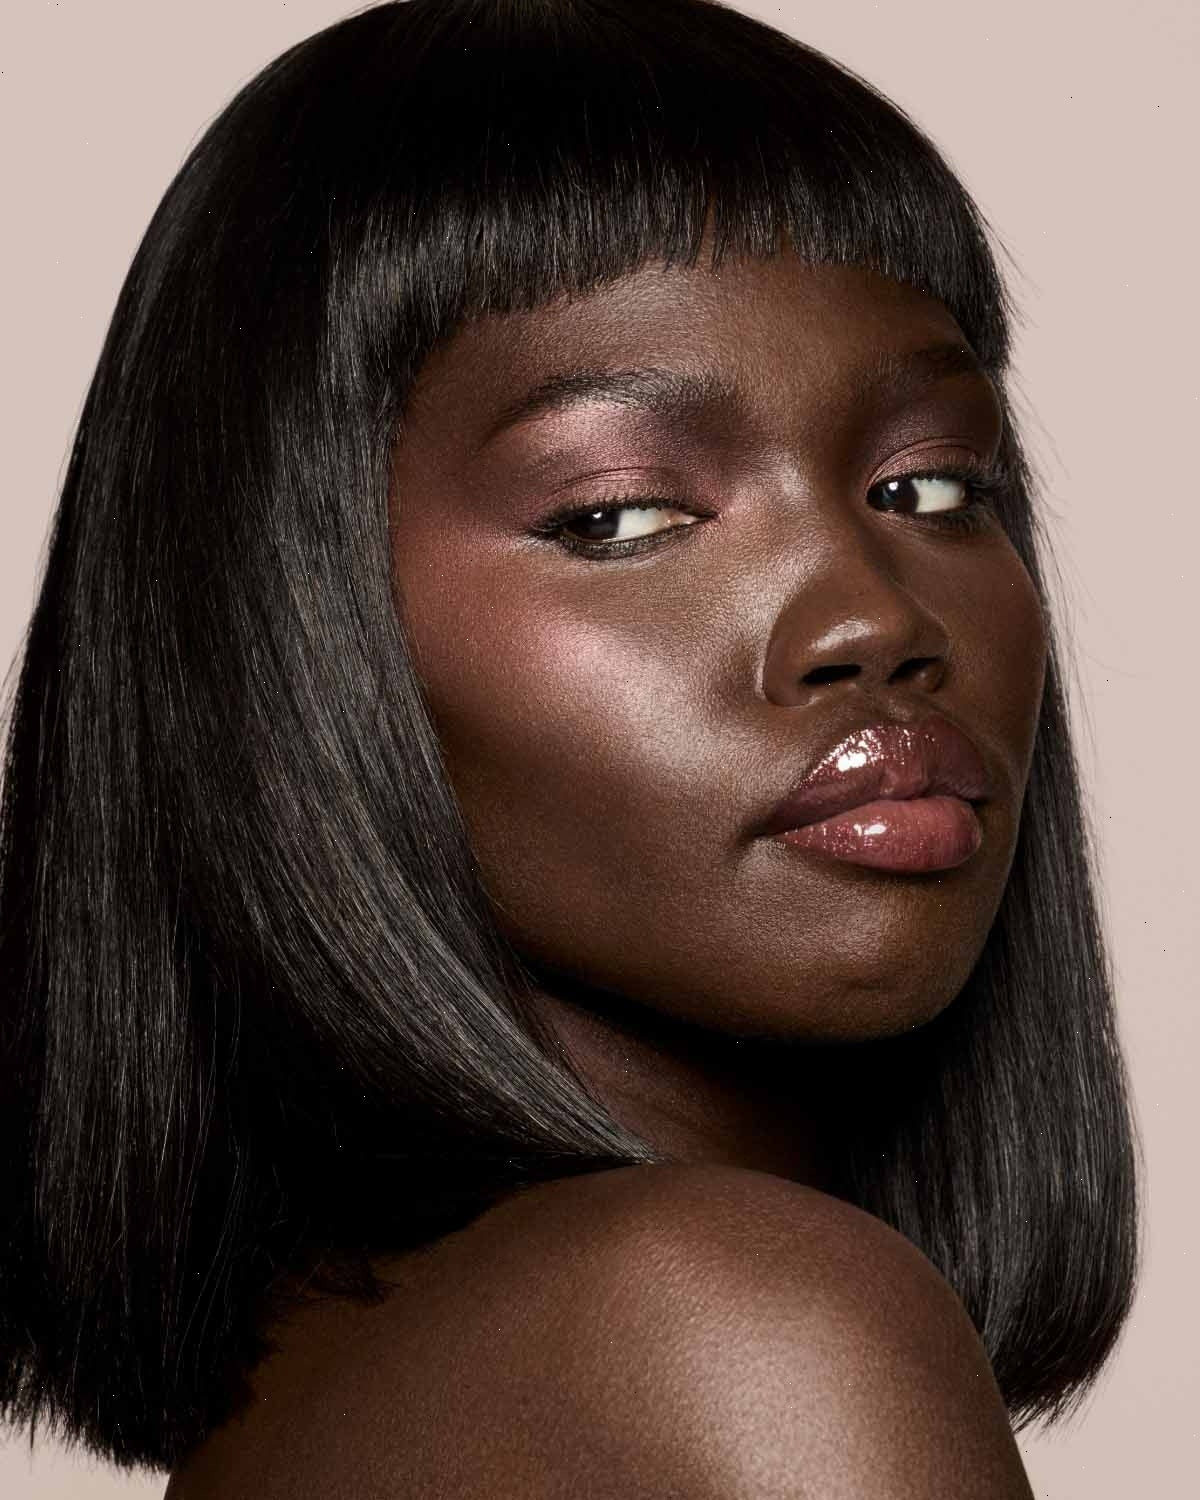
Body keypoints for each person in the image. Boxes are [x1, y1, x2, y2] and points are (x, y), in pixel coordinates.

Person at [0, 0, 1140, 1494]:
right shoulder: (730, 1331)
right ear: (282, 633)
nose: (874, 616)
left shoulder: (356, 1377)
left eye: (930, 485)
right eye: (619, 515)